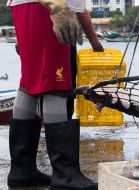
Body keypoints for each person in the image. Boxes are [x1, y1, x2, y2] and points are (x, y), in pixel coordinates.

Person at [7, 0, 103, 189]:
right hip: (48, 7)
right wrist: (56, 5)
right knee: (56, 83)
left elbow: (81, 10)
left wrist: (94, 41)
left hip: (31, 6)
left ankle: (22, 170)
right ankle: (65, 175)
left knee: (29, 82)